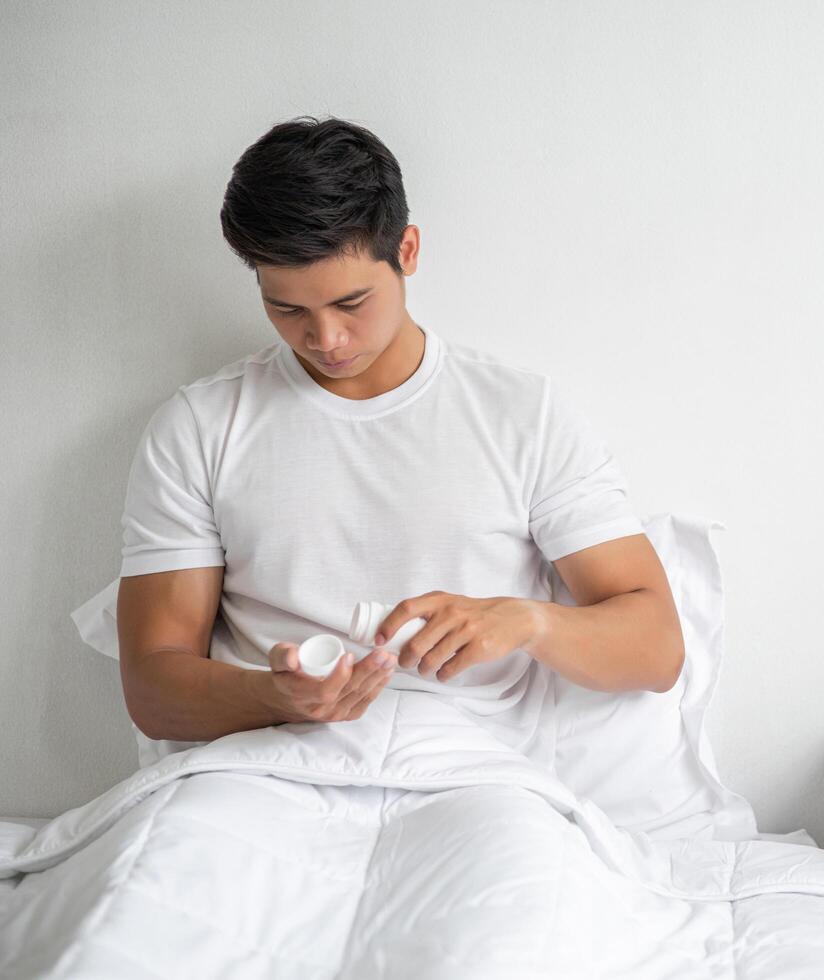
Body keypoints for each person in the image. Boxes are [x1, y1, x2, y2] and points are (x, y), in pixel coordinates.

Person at [116, 115, 684, 750]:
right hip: (265, 763)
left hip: (470, 767)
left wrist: (527, 622)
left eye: (351, 304)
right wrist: (273, 697)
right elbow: (152, 689)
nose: (325, 340)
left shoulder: (522, 414)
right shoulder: (199, 427)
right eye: (288, 308)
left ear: (407, 251)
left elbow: (658, 648)